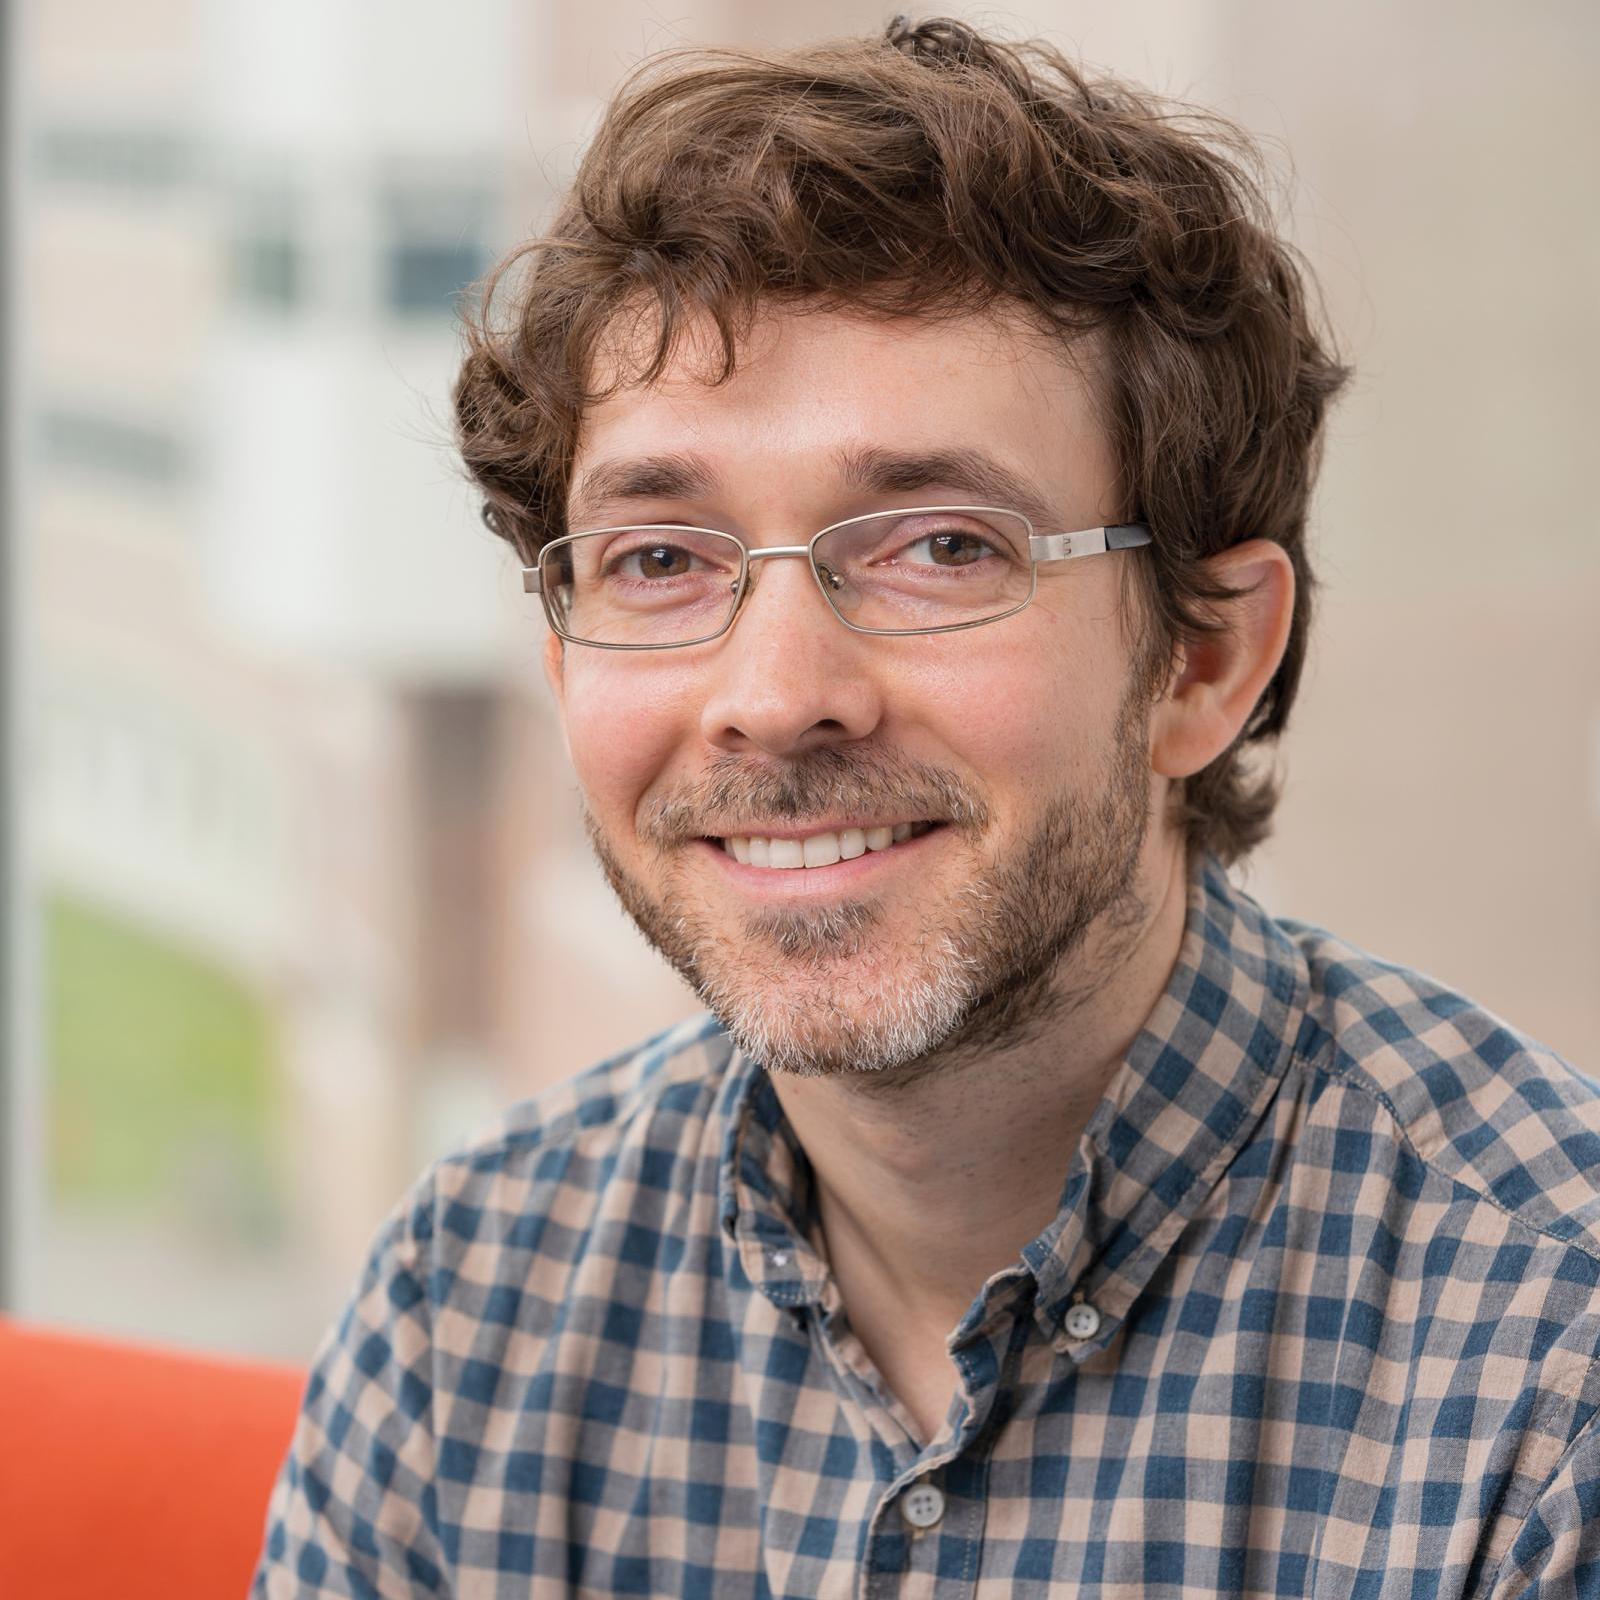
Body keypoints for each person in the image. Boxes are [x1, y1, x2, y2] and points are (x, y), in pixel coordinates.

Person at [253, 17, 1600, 1597]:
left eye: (939, 546)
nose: (771, 692)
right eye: (662, 561)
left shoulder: (1549, 1376)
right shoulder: (466, 1310)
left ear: (1206, 661)